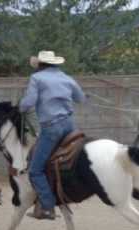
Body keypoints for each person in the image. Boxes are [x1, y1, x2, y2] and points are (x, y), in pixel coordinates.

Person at [20, 50, 86, 220]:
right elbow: (81, 98)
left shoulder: (37, 78)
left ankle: (48, 207)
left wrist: (20, 108)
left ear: (40, 65)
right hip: (70, 127)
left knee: (35, 170)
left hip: (52, 128)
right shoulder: (67, 78)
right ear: (55, 64)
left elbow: (28, 103)